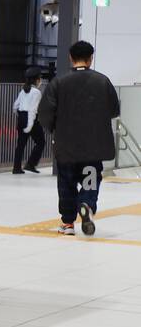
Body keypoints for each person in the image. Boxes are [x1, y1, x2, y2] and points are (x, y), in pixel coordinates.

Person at [38, 40, 121, 237]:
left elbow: (45, 113)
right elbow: (114, 110)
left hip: (66, 145)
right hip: (93, 147)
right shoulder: (103, 81)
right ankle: (87, 204)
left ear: (70, 58)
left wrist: (55, 130)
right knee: (90, 180)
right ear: (91, 58)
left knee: (66, 183)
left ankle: (67, 223)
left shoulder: (59, 82)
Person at [12, 67, 46, 174]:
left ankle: (16, 168)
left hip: (22, 117)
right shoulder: (36, 92)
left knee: (21, 144)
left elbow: (15, 106)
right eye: (40, 78)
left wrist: (20, 116)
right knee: (41, 142)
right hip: (31, 119)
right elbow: (32, 110)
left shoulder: (23, 90)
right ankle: (31, 164)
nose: (40, 80)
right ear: (36, 80)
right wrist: (30, 124)